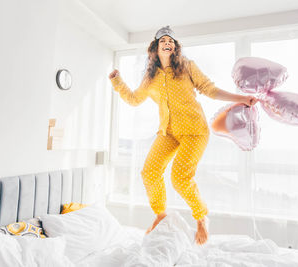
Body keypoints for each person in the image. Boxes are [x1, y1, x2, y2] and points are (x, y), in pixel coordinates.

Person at [108, 26, 258, 245]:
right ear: (156, 48)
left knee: (179, 178)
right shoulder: (150, 78)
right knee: (149, 173)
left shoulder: (187, 67)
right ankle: (160, 215)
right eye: (163, 41)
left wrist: (241, 98)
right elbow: (133, 99)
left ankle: (201, 216)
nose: (168, 43)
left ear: (175, 47)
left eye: (171, 41)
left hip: (195, 131)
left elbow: (210, 89)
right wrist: (117, 81)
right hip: (168, 132)